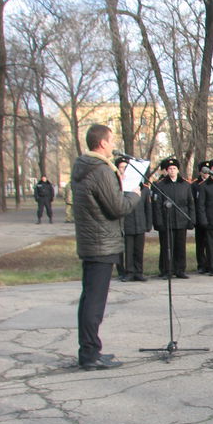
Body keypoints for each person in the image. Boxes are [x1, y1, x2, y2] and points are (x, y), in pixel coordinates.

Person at [72, 123, 140, 370]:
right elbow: (117, 207)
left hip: (93, 241)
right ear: (102, 143)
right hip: (101, 242)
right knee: (94, 301)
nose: (113, 145)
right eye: (111, 141)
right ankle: (90, 355)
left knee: (89, 298)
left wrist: (118, 185)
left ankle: (90, 349)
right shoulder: (100, 170)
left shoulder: (85, 166)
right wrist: (133, 193)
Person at [153, 157, 195, 278]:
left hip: (181, 219)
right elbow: (157, 206)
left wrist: (191, 219)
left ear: (178, 170)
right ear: (166, 170)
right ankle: (167, 270)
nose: (172, 170)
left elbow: (190, 203)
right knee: (167, 246)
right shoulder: (160, 185)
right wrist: (159, 222)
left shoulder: (185, 184)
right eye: (170, 169)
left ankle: (180, 269)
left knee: (180, 246)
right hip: (167, 220)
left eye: (174, 168)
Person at [118, 156, 152, 282]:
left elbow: (147, 208)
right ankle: (129, 272)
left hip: (140, 223)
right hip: (127, 224)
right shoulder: (122, 188)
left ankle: (139, 271)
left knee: (139, 250)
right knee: (129, 250)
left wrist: (148, 224)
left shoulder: (144, 189)